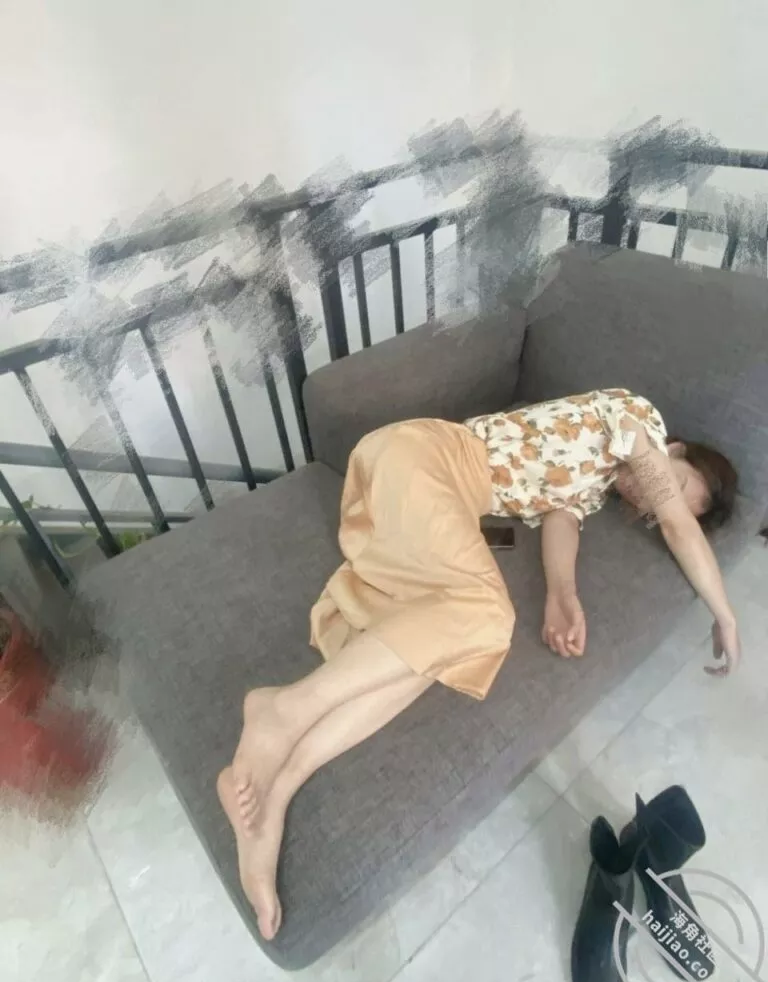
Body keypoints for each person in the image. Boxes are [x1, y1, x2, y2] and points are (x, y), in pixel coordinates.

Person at [216, 387, 741, 940]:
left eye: (657, 512)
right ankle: (283, 709)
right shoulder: (635, 417)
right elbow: (679, 525)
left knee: (438, 648)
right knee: (487, 616)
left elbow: (561, 524)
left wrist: (562, 595)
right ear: (672, 450)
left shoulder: (590, 489)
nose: (656, 504)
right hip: (424, 459)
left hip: (430, 505)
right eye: (674, 486)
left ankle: (280, 788)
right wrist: (725, 616)